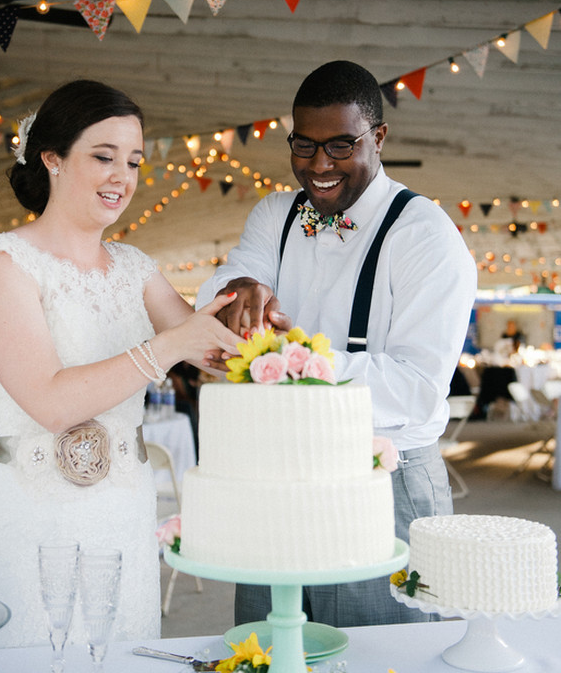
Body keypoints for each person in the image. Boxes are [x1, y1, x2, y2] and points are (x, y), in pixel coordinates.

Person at [197, 60, 477, 628]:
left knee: (377, 669)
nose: (319, 165)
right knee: (268, 650)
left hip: (383, 478)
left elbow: (418, 388)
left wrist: (293, 364)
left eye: (340, 146)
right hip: (275, 472)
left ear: (378, 138)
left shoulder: (425, 235)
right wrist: (237, 291)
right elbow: (221, 301)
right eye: (304, 146)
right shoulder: (275, 214)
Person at [0, 79, 239, 647]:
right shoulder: (0, 262)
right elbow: (51, 401)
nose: (123, 177)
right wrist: (169, 347)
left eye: (133, 162)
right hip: (35, 510)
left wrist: (256, 327)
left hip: (124, 508)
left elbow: (211, 350)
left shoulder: (135, 266)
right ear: (52, 159)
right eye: (103, 156)